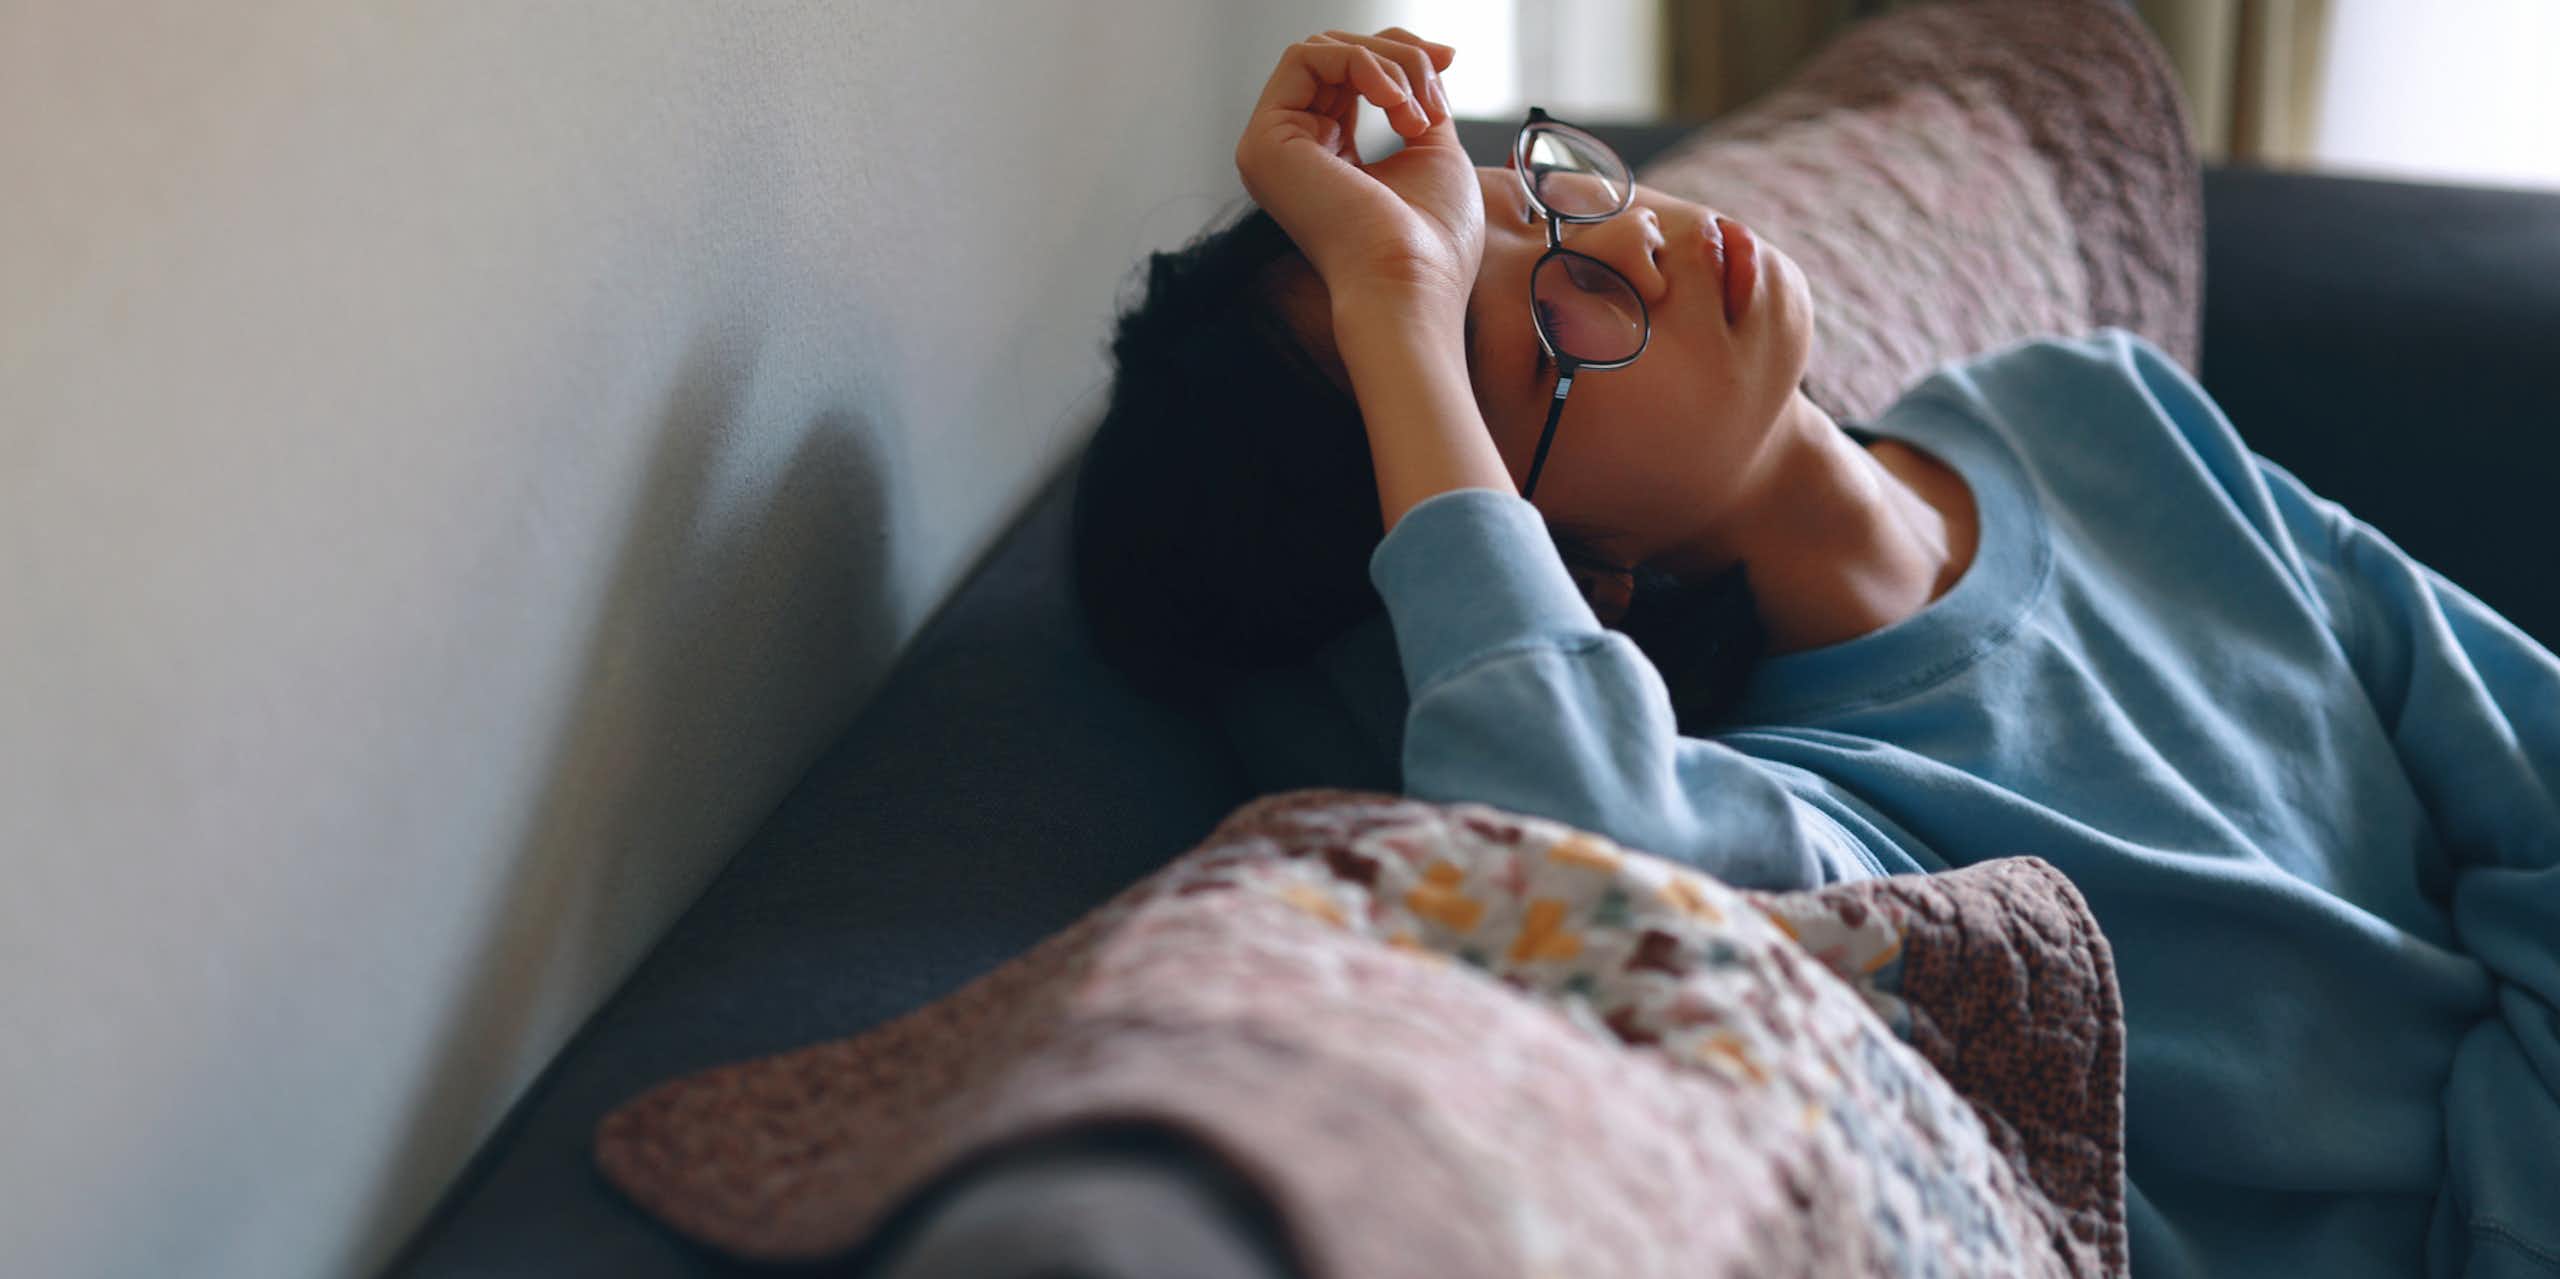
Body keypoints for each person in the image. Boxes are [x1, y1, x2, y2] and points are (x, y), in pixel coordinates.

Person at [1070, 28, 2560, 1279]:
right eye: (1539, 320)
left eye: (1545, 203)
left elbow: (2527, 758)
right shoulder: (1816, 817)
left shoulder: (2092, 407)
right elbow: (1555, 840)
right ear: (1570, 560)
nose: (1629, 243)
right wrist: (1396, 310)